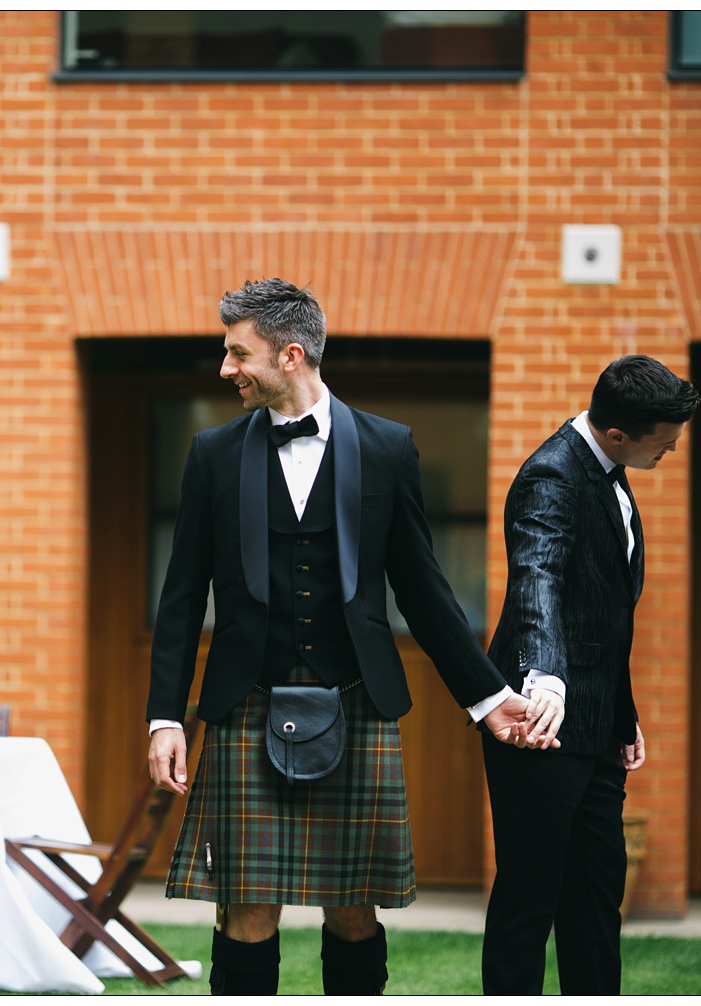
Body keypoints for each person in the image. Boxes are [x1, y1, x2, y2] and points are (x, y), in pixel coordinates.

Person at [145, 278, 557, 996]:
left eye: (238, 353)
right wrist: (163, 715)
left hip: (357, 701)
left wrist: (490, 699)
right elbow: (181, 598)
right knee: (244, 909)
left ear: (291, 354)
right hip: (244, 702)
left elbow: (424, 590)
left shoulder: (387, 447)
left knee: (355, 909)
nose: (225, 369)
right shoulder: (212, 454)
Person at [480, 355, 701, 994]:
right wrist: (544, 675)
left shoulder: (610, 468)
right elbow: (538, 580)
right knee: (530, 898)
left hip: (596, 729)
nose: (673, 448)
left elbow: (601, 613)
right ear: (617, 434)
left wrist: (621, 713)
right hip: (537, 723)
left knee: (597, 900)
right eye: (664, 441)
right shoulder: (553, 475)